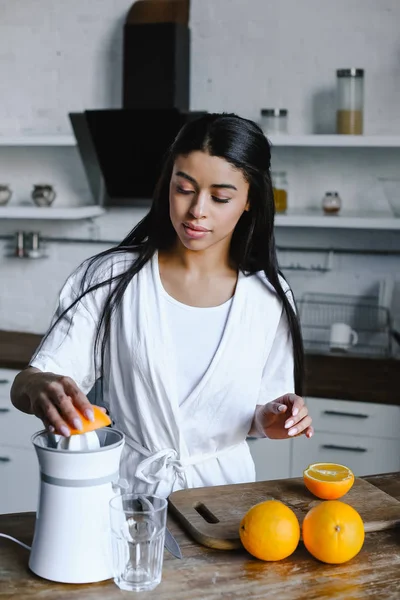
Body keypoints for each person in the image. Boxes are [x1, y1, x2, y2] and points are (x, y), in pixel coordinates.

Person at [11, 113, 313, 497]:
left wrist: (275, 419)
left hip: (225, 504)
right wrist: (40, 386)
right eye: (184, 188)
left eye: (220, 197)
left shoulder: (269, 297)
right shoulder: (108, 279)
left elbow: (260, 416)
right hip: (125, 497)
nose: (197, 210)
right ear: (167, 183)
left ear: (250, 198)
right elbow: (27, 382)